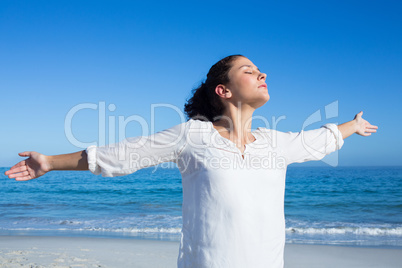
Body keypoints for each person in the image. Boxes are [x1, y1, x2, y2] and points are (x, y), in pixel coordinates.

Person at [5, 55, 378, 267]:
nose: (261, 73)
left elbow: (317, 141)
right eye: (249, 70)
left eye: (260, 70)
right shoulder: (192, 136)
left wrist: (353, 125)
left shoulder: (275, 144)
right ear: (224, 90)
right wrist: (51, 162)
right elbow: (122, 155)